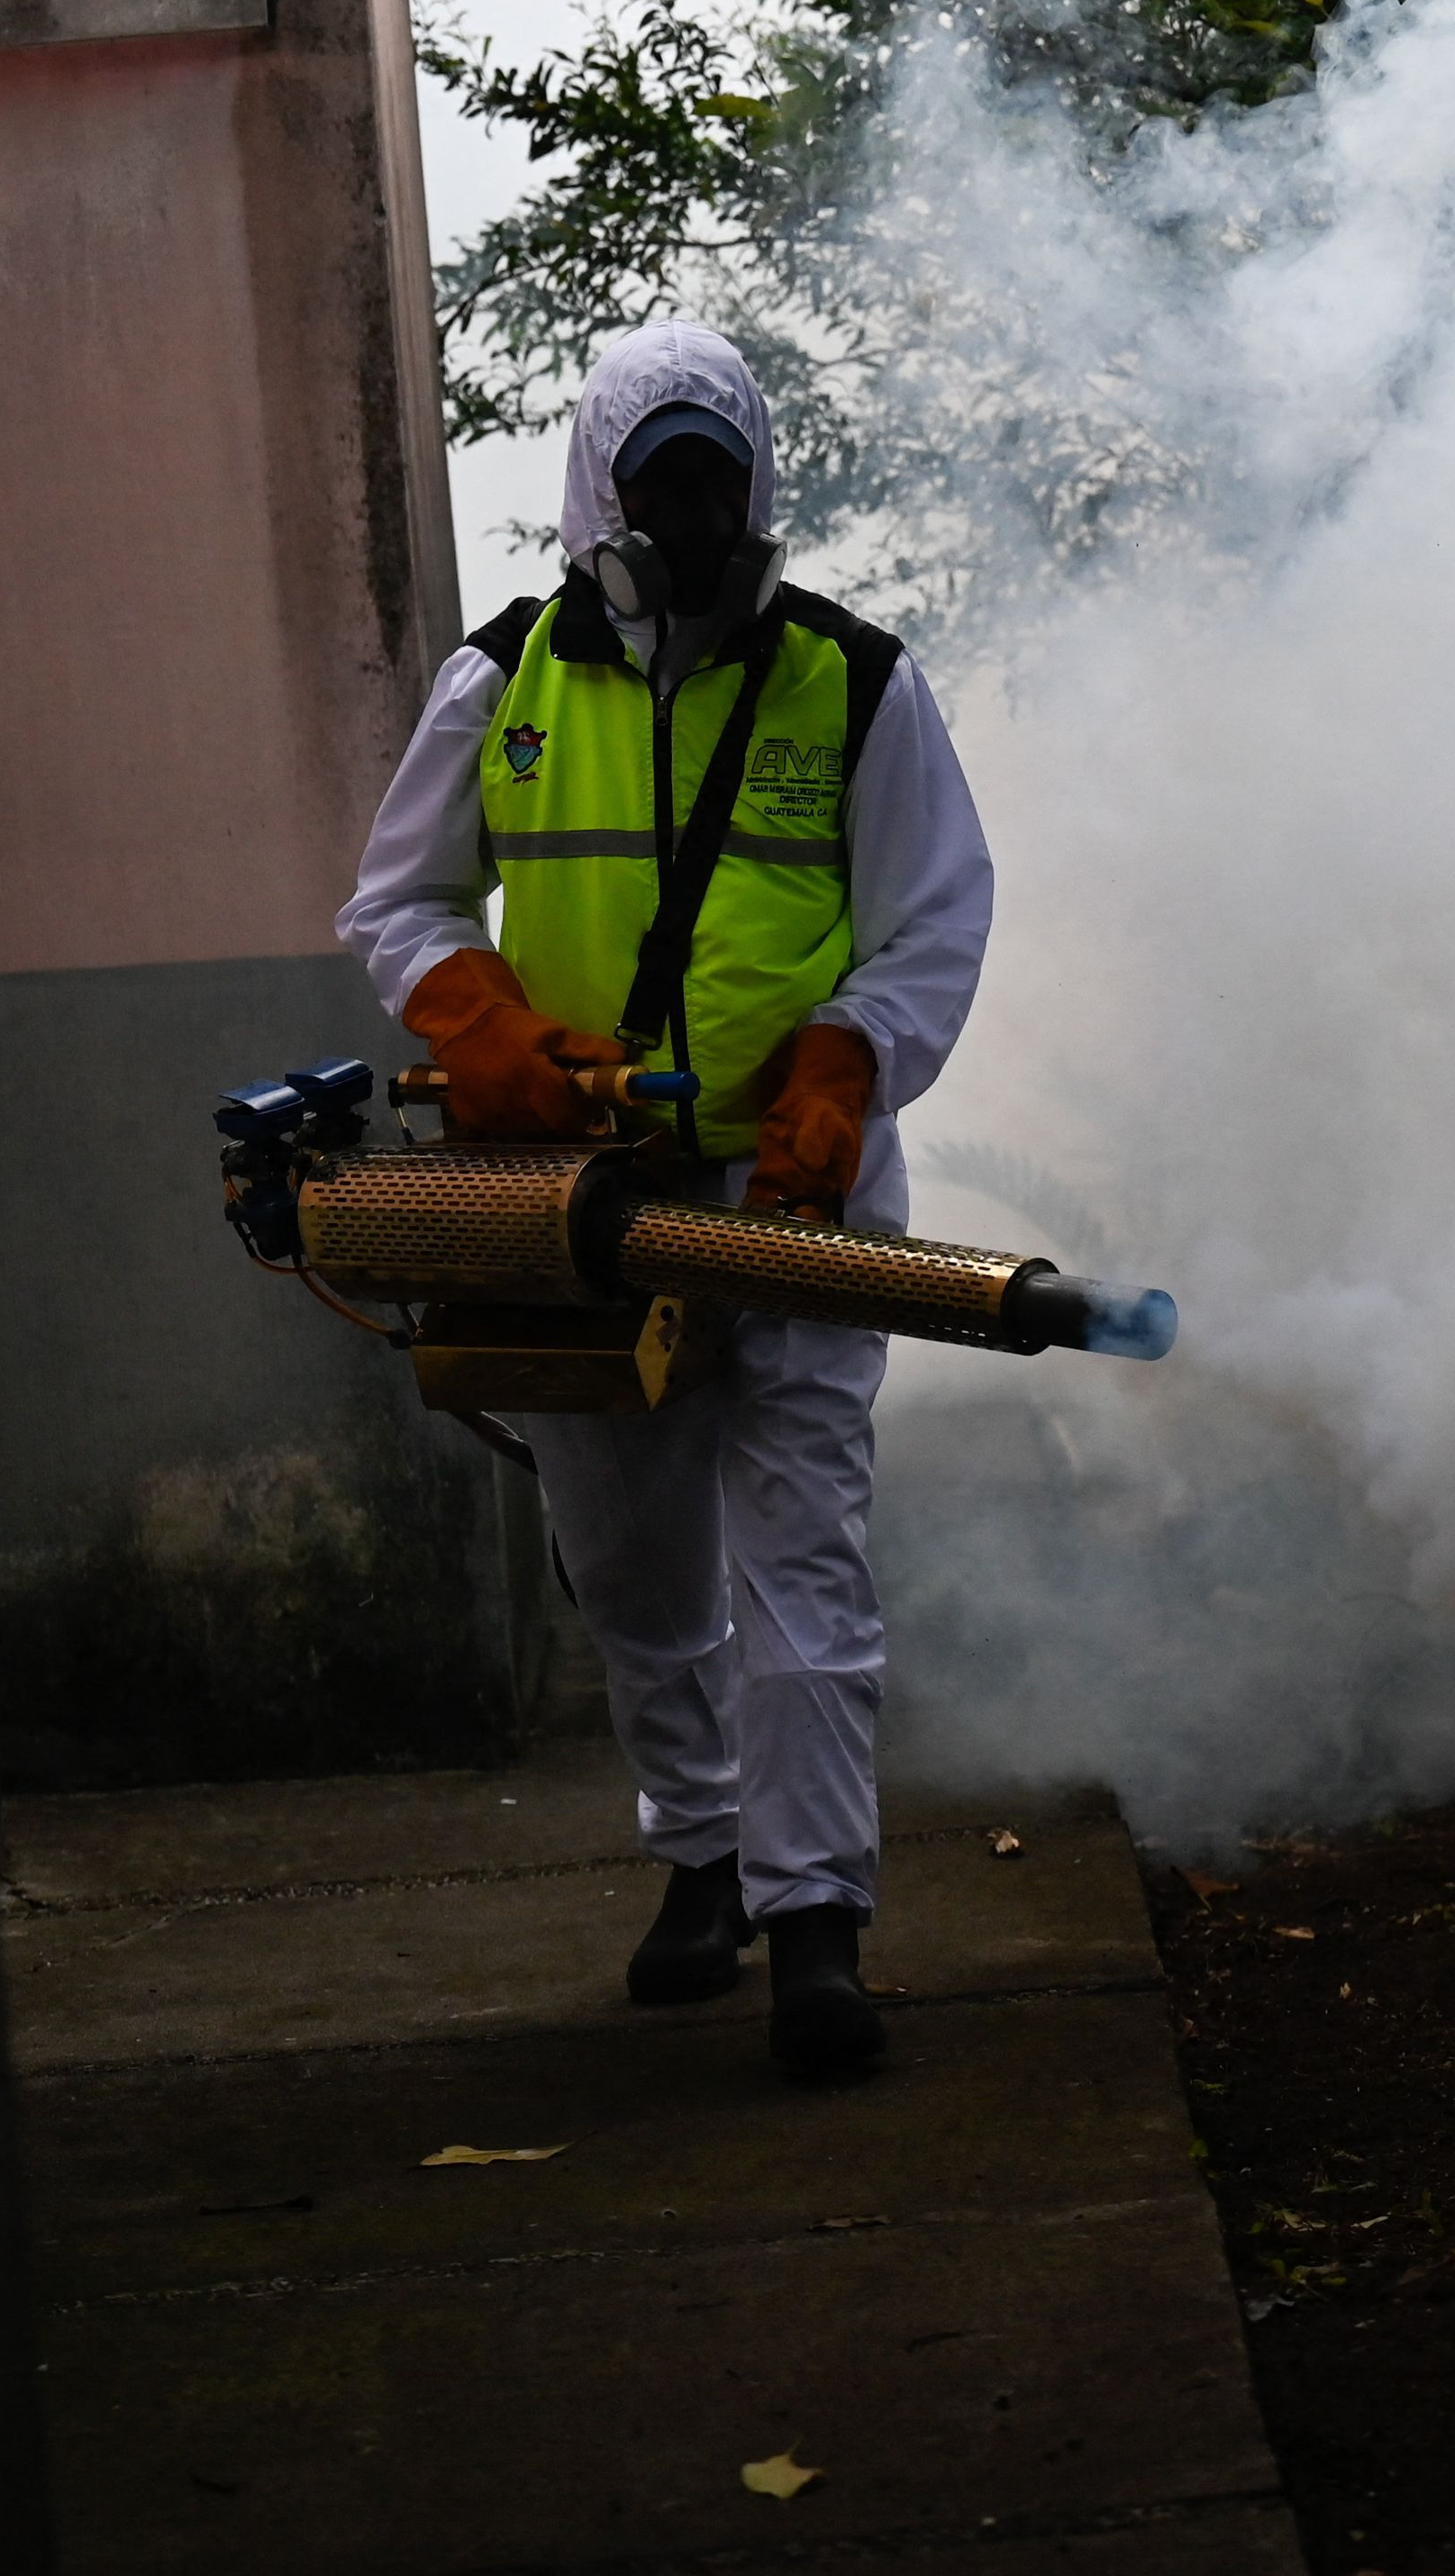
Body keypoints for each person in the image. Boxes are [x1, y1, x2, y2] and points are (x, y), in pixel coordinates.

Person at [340, 322, 994, 2080]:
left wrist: (848, 1062)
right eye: (661, 490)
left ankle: (816, 1920)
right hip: (581, 1200)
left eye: (718, 486)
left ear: (757, 487)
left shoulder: (856, 682)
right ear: (598, 500)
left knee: (805, 1559)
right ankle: (702, 1853)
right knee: (632, 1562)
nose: (693, 524)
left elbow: (935, 918)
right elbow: (398, 902)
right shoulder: (502, 683)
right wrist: (482, 1025)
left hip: (796, 1194)